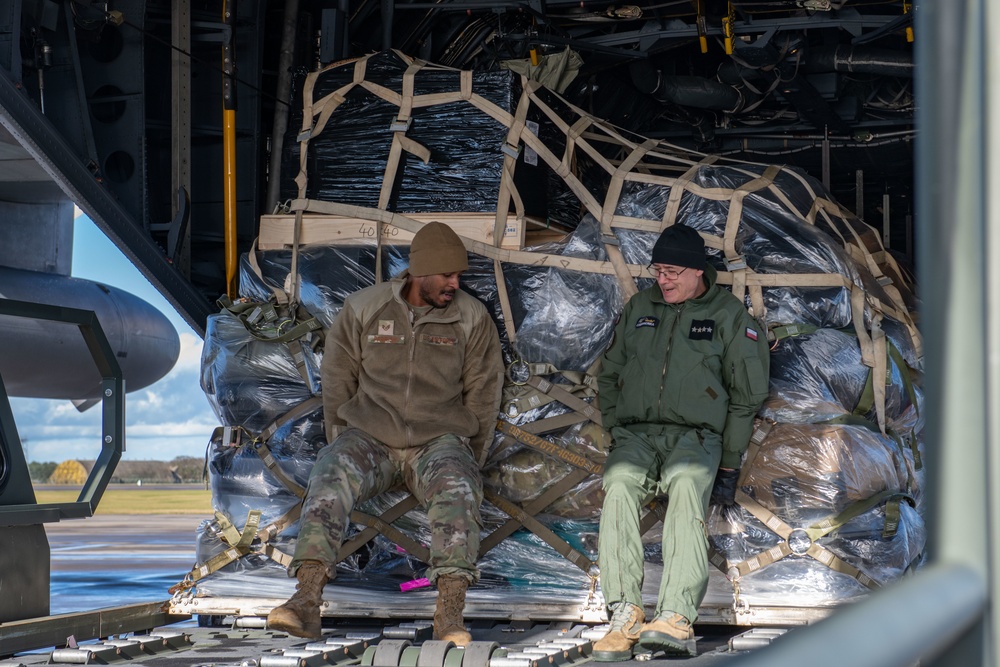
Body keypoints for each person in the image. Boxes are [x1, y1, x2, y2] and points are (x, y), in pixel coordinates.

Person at [267, 222, 505, 644]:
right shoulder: (364, 308)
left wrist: (470, 456)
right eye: (447, 275)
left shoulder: (471, 317)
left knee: (458, 484)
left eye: (459, 276)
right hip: (370, 437)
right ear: (418, 272)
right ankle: (305, 600)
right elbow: (338, 380)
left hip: (438, 441)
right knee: (332, 469)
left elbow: (483, 392)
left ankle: (449, 615)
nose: (455, 283)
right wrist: (342, 439)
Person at [592, 223, 770, 660]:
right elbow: (610, 371)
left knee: (688, 489)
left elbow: (747, 396)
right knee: (617, 487)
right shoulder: (640, 308)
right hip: (636, 435)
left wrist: (729, 461)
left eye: (672, 271)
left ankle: (675, 615)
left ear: (697, 272)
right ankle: (624, 613)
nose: (663, 280)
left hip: (696, 436)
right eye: (658, 271)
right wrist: (616, 427)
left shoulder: (729, 316)